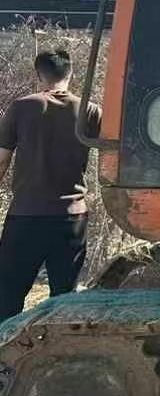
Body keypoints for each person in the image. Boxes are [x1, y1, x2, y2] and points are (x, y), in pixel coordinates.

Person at [0, 48, 101, 322]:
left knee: (7, 296)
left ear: (39, 75)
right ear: (71, 73)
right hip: (72, 218)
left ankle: (7, 347)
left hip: (26, 216)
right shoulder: (90, 110)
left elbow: (2, 161)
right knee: (64, 301)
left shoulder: (22, 107)